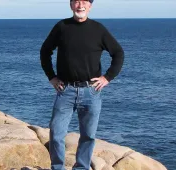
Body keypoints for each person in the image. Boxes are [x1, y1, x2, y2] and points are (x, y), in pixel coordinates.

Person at [40, 0, 124, 169]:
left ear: (90, 6)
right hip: (65, 90)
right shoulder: (62, 27)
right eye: (76, 2)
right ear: (71, 5)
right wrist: (52, 77)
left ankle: (81, 167)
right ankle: (57, 167)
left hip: (90, 92)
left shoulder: (98, 29)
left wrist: (107, 78)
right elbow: (45, 51)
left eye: (84, 2)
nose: (80, 5)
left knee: (88, 136)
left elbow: (118, 53)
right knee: (56, 133)